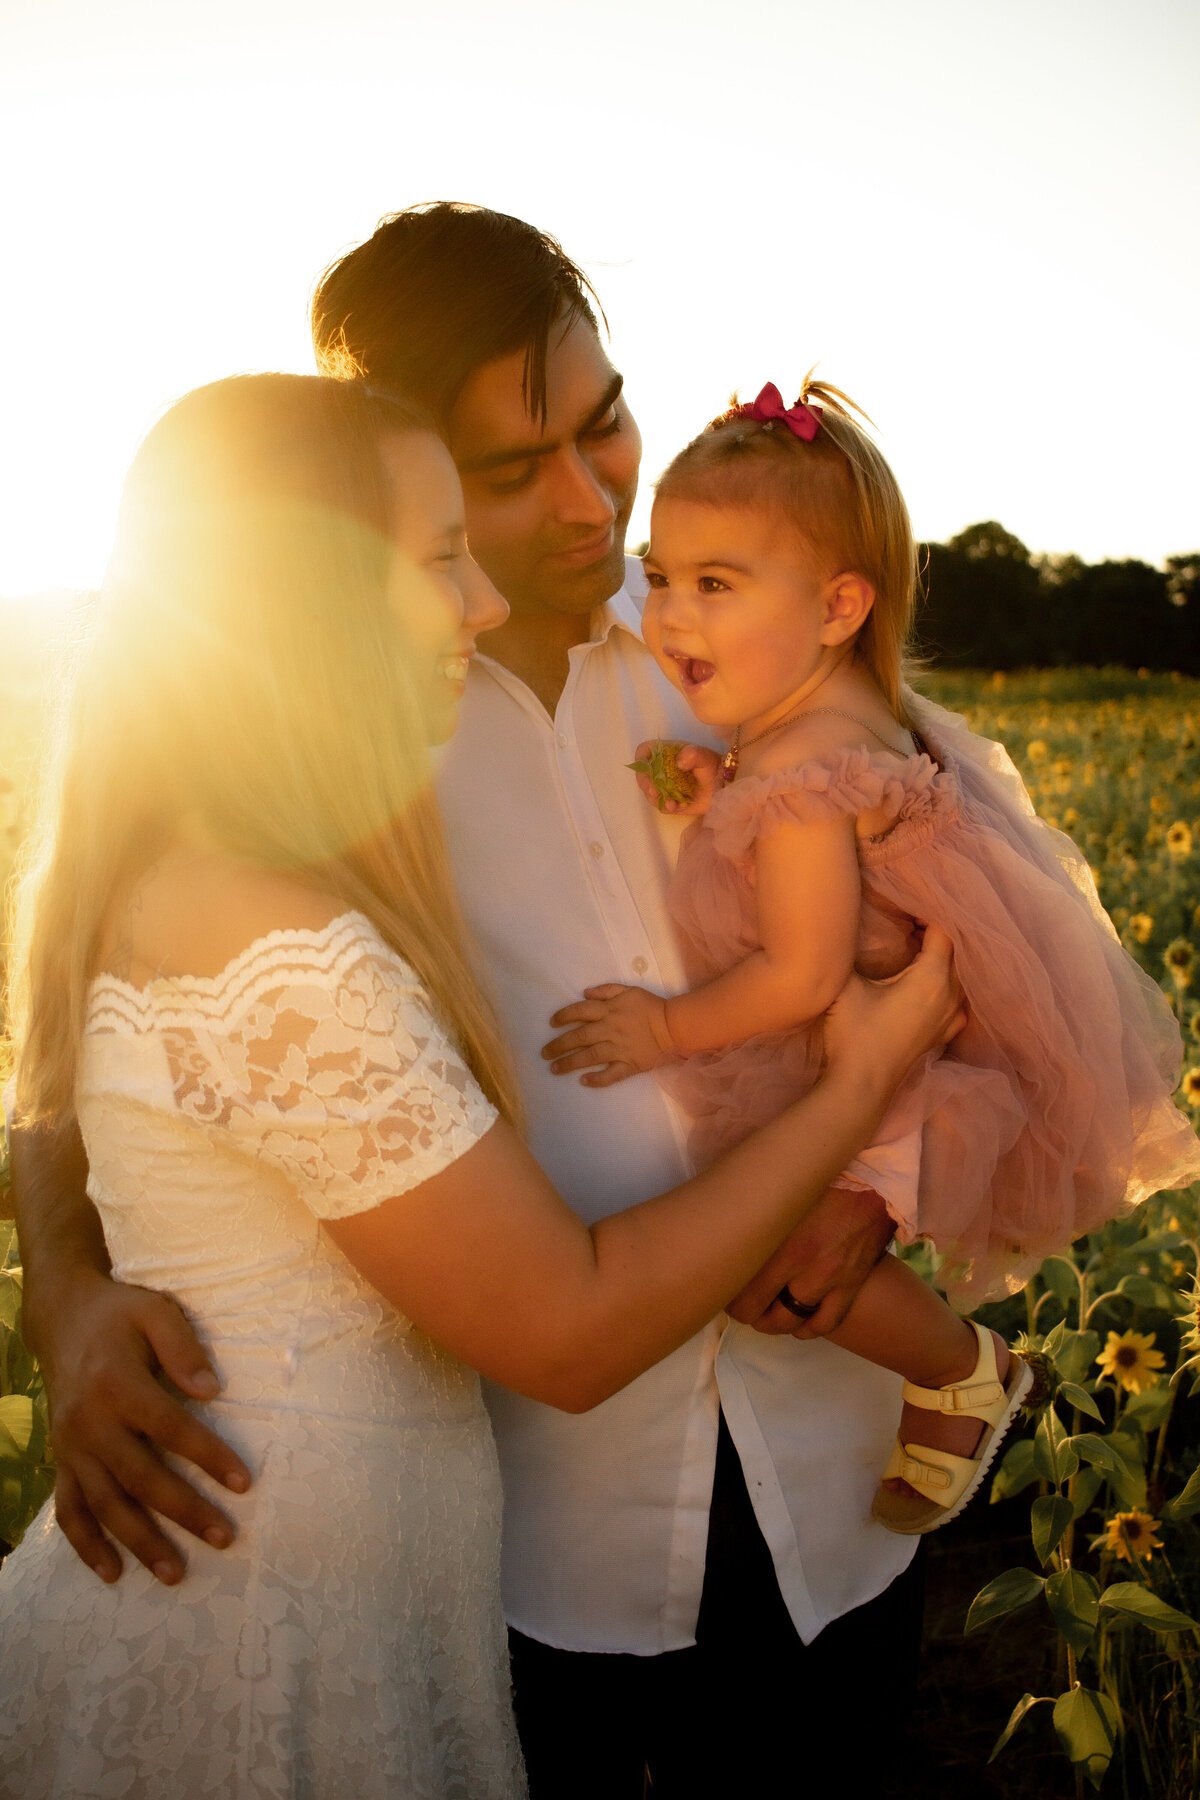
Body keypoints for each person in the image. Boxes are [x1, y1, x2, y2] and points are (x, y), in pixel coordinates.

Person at [10, 205, 950, 1796]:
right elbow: (73, 1055)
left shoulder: (750, 652)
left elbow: (964, 946)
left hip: (840, 1459)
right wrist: (70, 1294)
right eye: (509, 477)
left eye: (604, 428)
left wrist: (885, 1187)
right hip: (533, 1537)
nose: (590, 502)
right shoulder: (333, 752)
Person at [547, 375, 1200, 1533]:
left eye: (713, 585)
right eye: (661, 578)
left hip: (875, 1062)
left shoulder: (801, 780)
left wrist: (663, 1029)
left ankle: (963, 1372)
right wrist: (720, 782)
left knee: (759, 1261)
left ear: (839, 605)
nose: (672, 617)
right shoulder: (833, 724)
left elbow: (799, 976)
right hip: (909, 1033)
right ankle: (954, 1375)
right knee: (770, 1257)